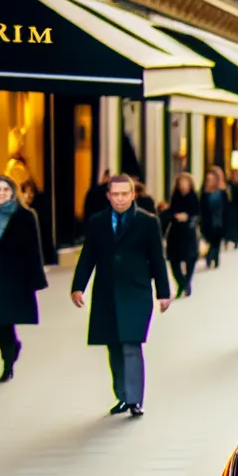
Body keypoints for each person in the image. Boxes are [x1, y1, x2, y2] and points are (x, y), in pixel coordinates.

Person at [70, 175, 170, 416]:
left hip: (137, 292)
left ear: (133, 194)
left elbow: (157, 258)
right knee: (114, 346)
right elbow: (88, 256)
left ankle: (135, 399)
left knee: (131, 345)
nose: (120, 198)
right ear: (108, 196)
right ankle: (122, 395)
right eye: (116, 194)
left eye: (125, 194)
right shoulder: (97, 222)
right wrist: (78, 286)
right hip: (106, 293)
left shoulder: (147, 222)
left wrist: (164, 292)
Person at [0, 175, 47, 382]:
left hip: (16, 277)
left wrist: (36, 278)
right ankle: (9, 354)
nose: (1, 193)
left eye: (5, 189)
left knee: (7, 318)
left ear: (12, 192)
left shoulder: (26, 216)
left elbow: (34, 249)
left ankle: (8, 361)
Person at [160, 173, 201, 297]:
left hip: (188, 231)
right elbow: (170, 212)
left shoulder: (193, 197)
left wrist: (188, 217)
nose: (183, 185)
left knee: (190, 259)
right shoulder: (174, 197)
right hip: (176, 232)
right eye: (181, 182)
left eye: (185, 182)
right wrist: (174, 216)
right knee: (174, 260)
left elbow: (198, 213)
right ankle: (182, 283)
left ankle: (187, 282)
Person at [201, 167, 228, 269]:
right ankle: (210, 257)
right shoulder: (204, 193)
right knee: (210, 241)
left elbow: (225, 208)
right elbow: (202, 208)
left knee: (217, 241)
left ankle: (215, 258)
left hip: (219, 221)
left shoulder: (222, 193)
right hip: (208, 221)